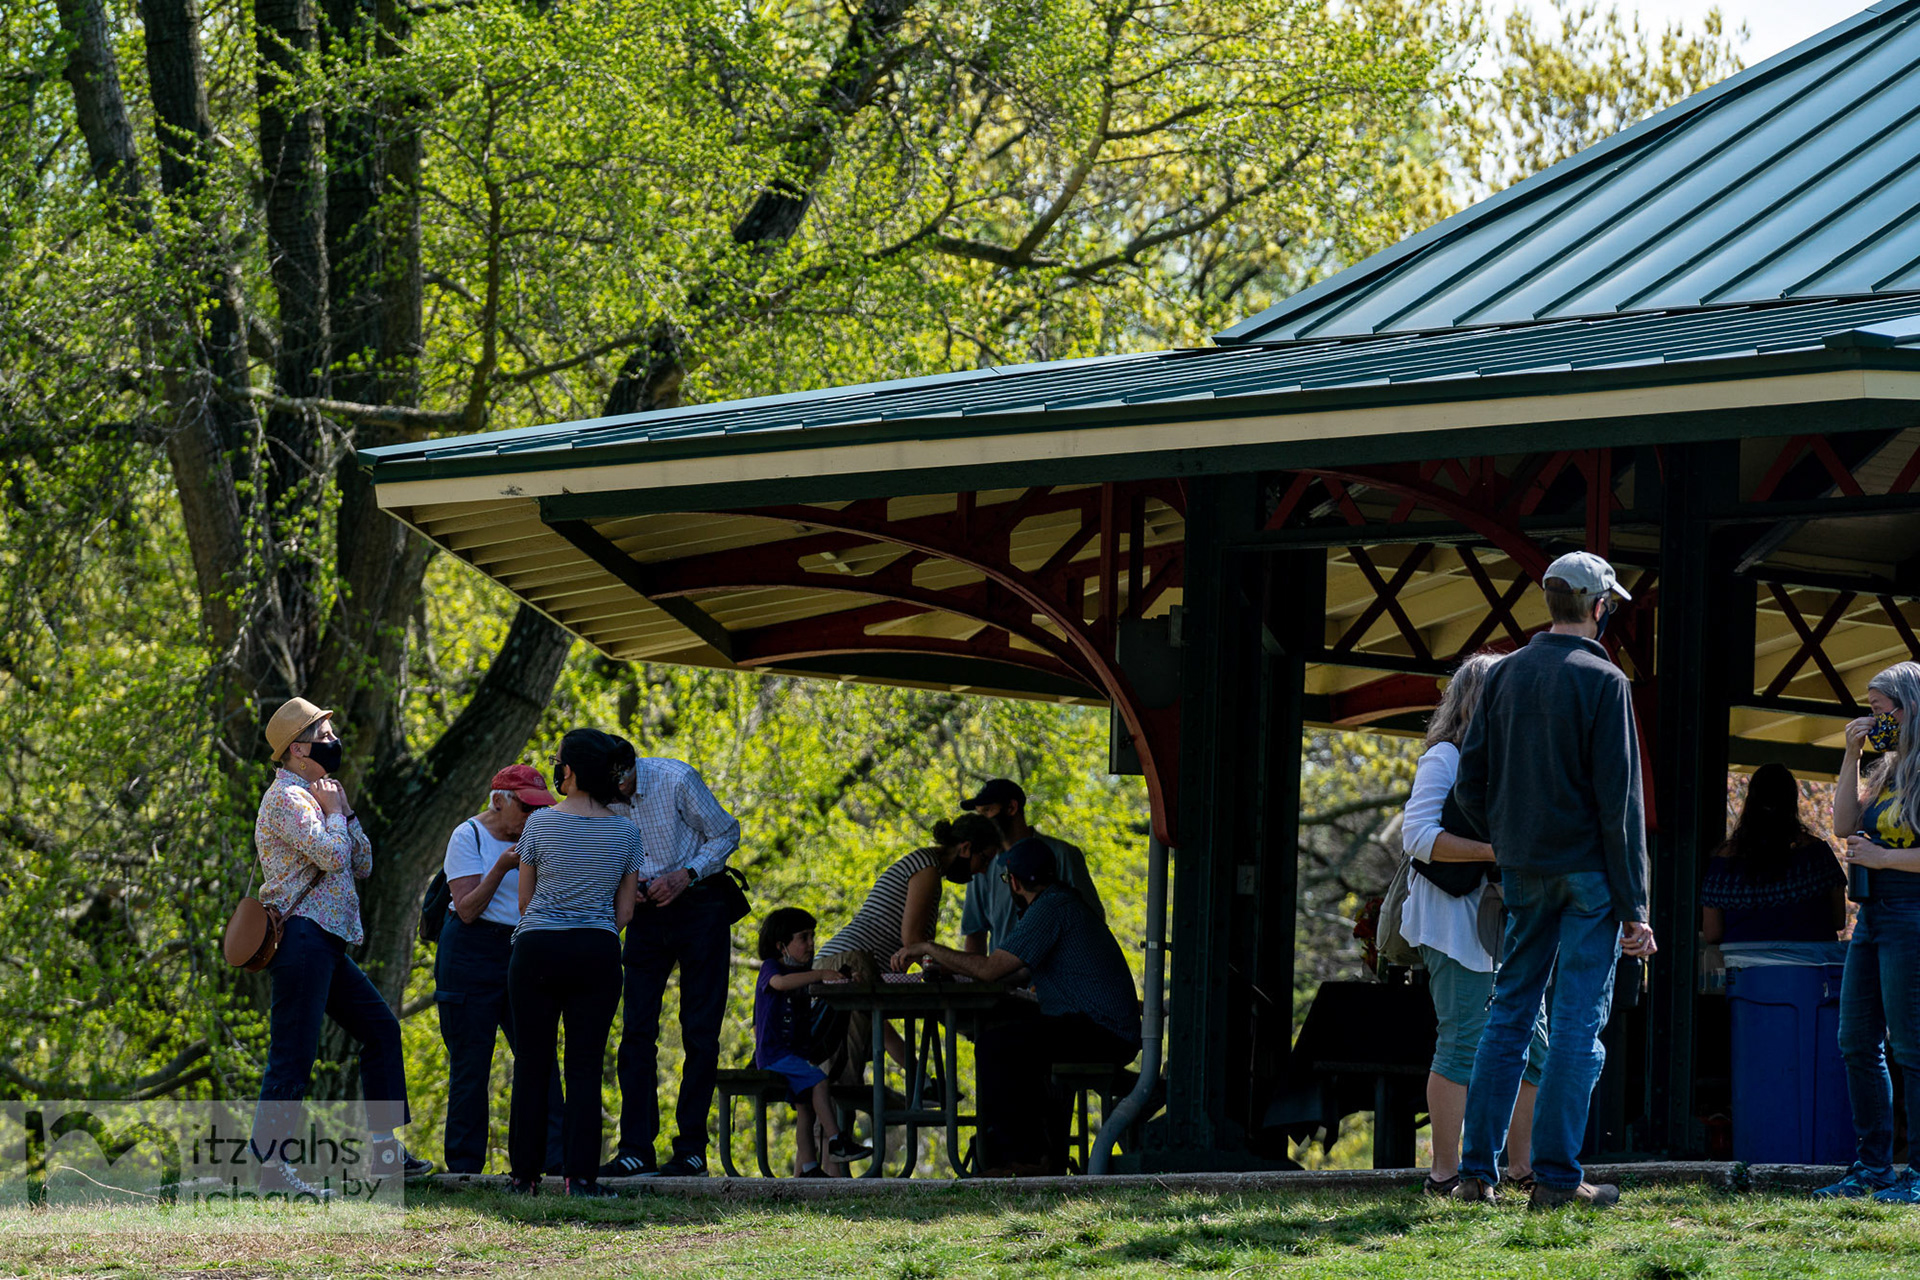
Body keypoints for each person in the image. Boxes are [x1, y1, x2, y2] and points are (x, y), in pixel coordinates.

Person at [1450, 551, 1655, 1211]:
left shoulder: (1504, 674)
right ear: (1599, 607)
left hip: (1523, 871)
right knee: (1574, 1025)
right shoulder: (1605, 681)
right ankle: (1559, 1179)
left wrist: (1509, 838)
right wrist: (1635, 906)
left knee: (1508, 1015)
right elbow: (1619, 806)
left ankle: (1476, 1174)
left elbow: (1469, 783)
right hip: (1589, 876)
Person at [249, 697, 431, 1195]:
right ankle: (271, 1170)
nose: (335, 742)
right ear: (300, 749)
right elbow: (332, 858)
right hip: (302, 939)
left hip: (326, 941)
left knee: (380, 1029)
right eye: (325, 736)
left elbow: (363, 862)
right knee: (293, 1051)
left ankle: (387, 1153)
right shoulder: (286, 799)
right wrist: (334, 814)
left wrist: (345, 813)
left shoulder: (321, 795)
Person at [894, 838, 1141, 1176]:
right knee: (1013, 1040)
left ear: (1013, 881)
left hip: (1101, 1030)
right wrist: (951, 967)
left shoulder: (1048, 909)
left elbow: (991, 969)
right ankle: (1039, 1153)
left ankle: (1020, 1157)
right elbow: (1018, 970)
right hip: (1105, 1027)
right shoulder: (1063, 903)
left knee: (999, 1045)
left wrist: (927, 948)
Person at [1401, 652, 1548, 1197]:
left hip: (1507, 922)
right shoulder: (1444, 755)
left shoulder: (1515, 760)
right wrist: (1496, 850)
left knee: (1537, 1048)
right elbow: (1417, 837)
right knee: (1462, 1042)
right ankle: (1445, 1176)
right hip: (1453, 920)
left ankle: (1521, 1167)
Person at [506, 729, 644, 1198]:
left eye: (557, 761)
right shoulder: (627, 832)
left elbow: (525, 902)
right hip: (596, 952)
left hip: (538, 950)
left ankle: (524, 1176)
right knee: (584, 1065)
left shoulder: (539, 826)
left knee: (532, 1063)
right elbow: (625, 912)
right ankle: (581, 1178)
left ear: (570, 770)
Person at [601, 739, 743, 1179]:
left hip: (699, 905)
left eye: (619, 784)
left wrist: (688, 874)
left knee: (699, 1032)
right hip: (644, 913)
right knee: (636, 1032)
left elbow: (727, 831)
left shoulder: (675, 779)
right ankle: (636, 1147)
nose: (615, 795)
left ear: (630, 769)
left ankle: (692, 1149)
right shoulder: (600, 797)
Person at [1816, 661, 1920, 1201]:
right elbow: (1839, 825)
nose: (1874, 720)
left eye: (1882, 711)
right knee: (1856, 1040)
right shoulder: (1889, 767)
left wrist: (1883, 858)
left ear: (1911, 708)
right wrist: (1853, 753)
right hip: (1872, 916)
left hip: (1912, 913)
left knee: (1912, 1045)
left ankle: (1918, 1175)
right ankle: (1873, 1167)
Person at [812, 813, 1005, 1098]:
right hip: (847, 964)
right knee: (841, 1072)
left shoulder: (927, 867)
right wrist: (968, 967)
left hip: (847, 963)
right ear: (965, 848)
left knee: (864, 1042)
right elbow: (914, 941)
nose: (982, 871)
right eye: (985, 859)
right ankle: (830, 1140)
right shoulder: (926, 869)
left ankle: (922, 1082)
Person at [435, 764, 565, 1176]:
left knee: (539, 1057)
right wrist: (503, 866)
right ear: (499, 801)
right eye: (526, 808)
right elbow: (468, 908)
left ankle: (551, 1161)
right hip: (470, 953)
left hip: (522, 949)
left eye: (541, 808)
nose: (533, 817)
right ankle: (465, 1168)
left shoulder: (539, 838)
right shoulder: (467, 835)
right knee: (471, 1063)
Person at [752, 907, 874, 1176]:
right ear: (781, 945)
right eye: (803, 938)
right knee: (819, 1080)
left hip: (793, 1056)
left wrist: (843, 980)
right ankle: (836, 1141)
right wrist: (821, 974)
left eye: (812, 937)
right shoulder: (772, 968)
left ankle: (808, 1167)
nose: (811, 944)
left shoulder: (803, 972)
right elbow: (780, 983)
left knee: (805, 1108)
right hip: (774, 1055)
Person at [1700, 763, 1846, 946]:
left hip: (1746, 971)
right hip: (1811, 968)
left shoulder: (1723, 864)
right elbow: (1838, 921)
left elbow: (1712, 933)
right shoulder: (1817, 856)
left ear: (1750, 800)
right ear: (1792, 801)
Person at [960, 778, 1104, 954]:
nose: (981, 822)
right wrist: (981, 978)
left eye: (987, 811)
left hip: (1053, 979)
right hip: (1003, 978)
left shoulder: (1062, 855)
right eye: (979, 814)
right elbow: (975, 933)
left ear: (1011, 808)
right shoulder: (983, 865)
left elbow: (1092, 921)